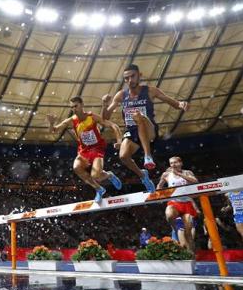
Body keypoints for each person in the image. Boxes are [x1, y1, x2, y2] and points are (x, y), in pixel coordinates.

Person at [101, 64, 189, 192]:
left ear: (139, 75)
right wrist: (104, 104)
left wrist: (181, 104)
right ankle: (143, 176)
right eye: (126, 78)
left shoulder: (150, 91)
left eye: (133, 76)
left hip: (149, 130)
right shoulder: (121, 95)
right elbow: (105, 117)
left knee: (138, 116)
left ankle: (148, 156)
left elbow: (172, 102)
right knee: (123, 157)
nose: (130, 80)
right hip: (132, 131)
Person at [47, 96, 123, 204]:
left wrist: (119, 140)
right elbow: (54, 131)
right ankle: (99, 189)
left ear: (82, 105)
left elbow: (113, 125)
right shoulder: (72, 120)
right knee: (76, 167)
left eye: (76, 106)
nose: (74, 109)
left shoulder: (92, 117)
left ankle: (109, 175)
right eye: (72, 107)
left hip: (97, 149)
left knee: (96, 176)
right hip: (84, 151)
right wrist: (51, 123)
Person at [157, 156, 200, 253]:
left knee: (189, 234)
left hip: (187, 203)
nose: (173, 165)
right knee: (169, 214)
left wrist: (180, 175)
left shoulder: (187, 172)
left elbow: (195, 181)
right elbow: (159, 186)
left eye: (175, 162)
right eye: (171, 163)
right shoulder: (166, 174)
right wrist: (158, 193)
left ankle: (191, 257)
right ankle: (174, 228)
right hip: (174, 202)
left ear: (181, 163)